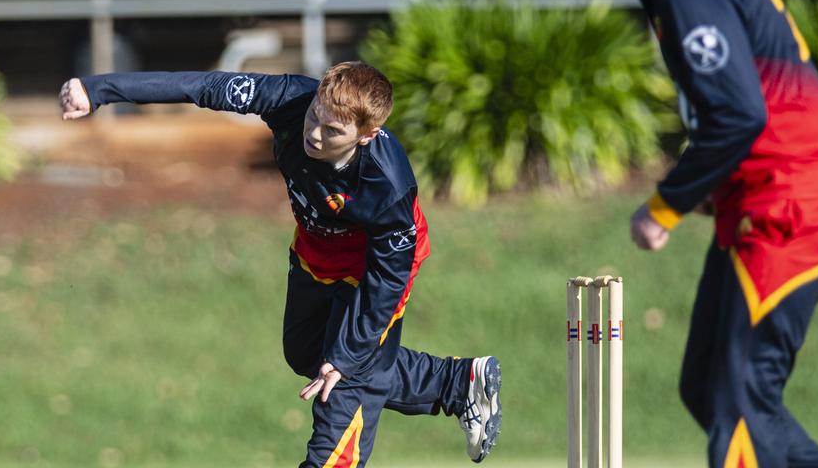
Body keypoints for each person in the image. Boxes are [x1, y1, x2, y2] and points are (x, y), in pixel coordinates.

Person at [59, 62, 501, 467]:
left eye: (332, 130)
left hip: (373, 273)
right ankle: (455, 382)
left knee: (341, 384)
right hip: (314, 253)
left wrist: (347, 356)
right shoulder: (288, 98)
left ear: (366, 135)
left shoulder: (388, 186)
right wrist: (98, 90)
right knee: (305, 353)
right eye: (314, 116)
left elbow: (387, 281)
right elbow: (202, 86)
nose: (314, 133)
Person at [560, 0, 818, 467]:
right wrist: (714, 182)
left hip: (789, 204)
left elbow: (741, 114)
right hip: (763, 196)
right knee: (708, 385)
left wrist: (665, 206)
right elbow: (746, 104)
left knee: (737, 411)